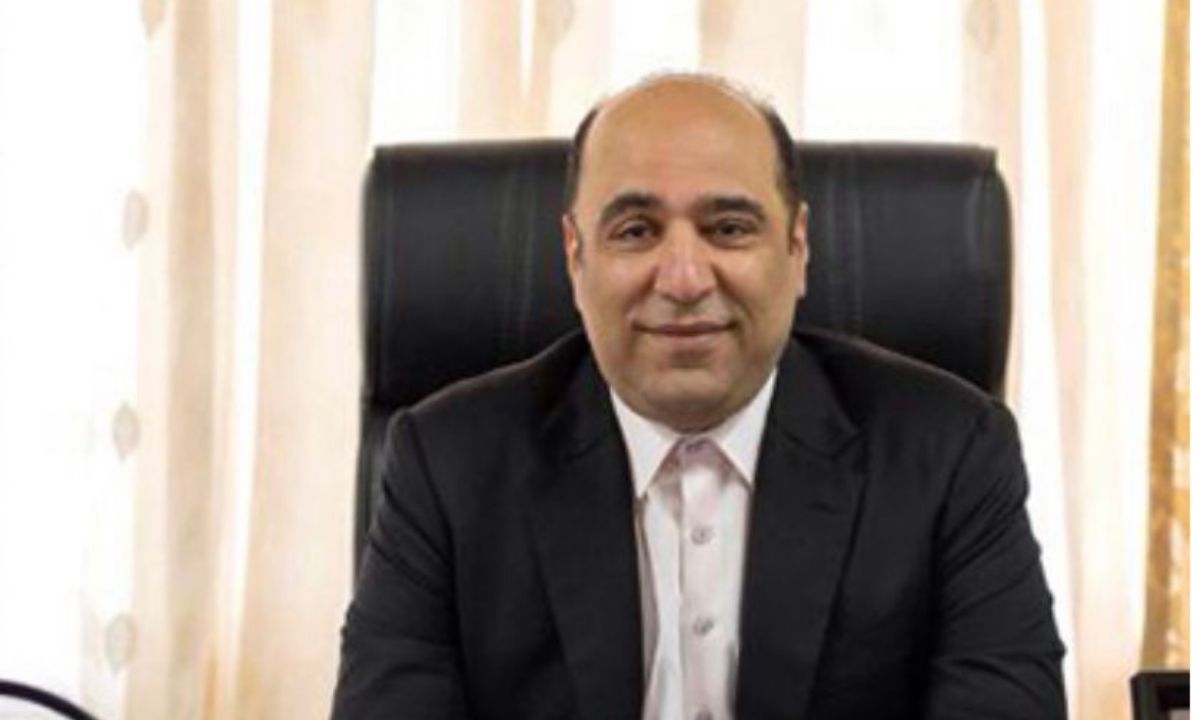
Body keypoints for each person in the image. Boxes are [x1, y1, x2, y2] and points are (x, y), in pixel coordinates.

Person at [331, 73, 1066, 720]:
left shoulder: (950, 454)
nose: (683, 278)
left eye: (729, 228)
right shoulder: (446, 464)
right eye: (635, 231)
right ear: (575, 256)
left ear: (798, 249)